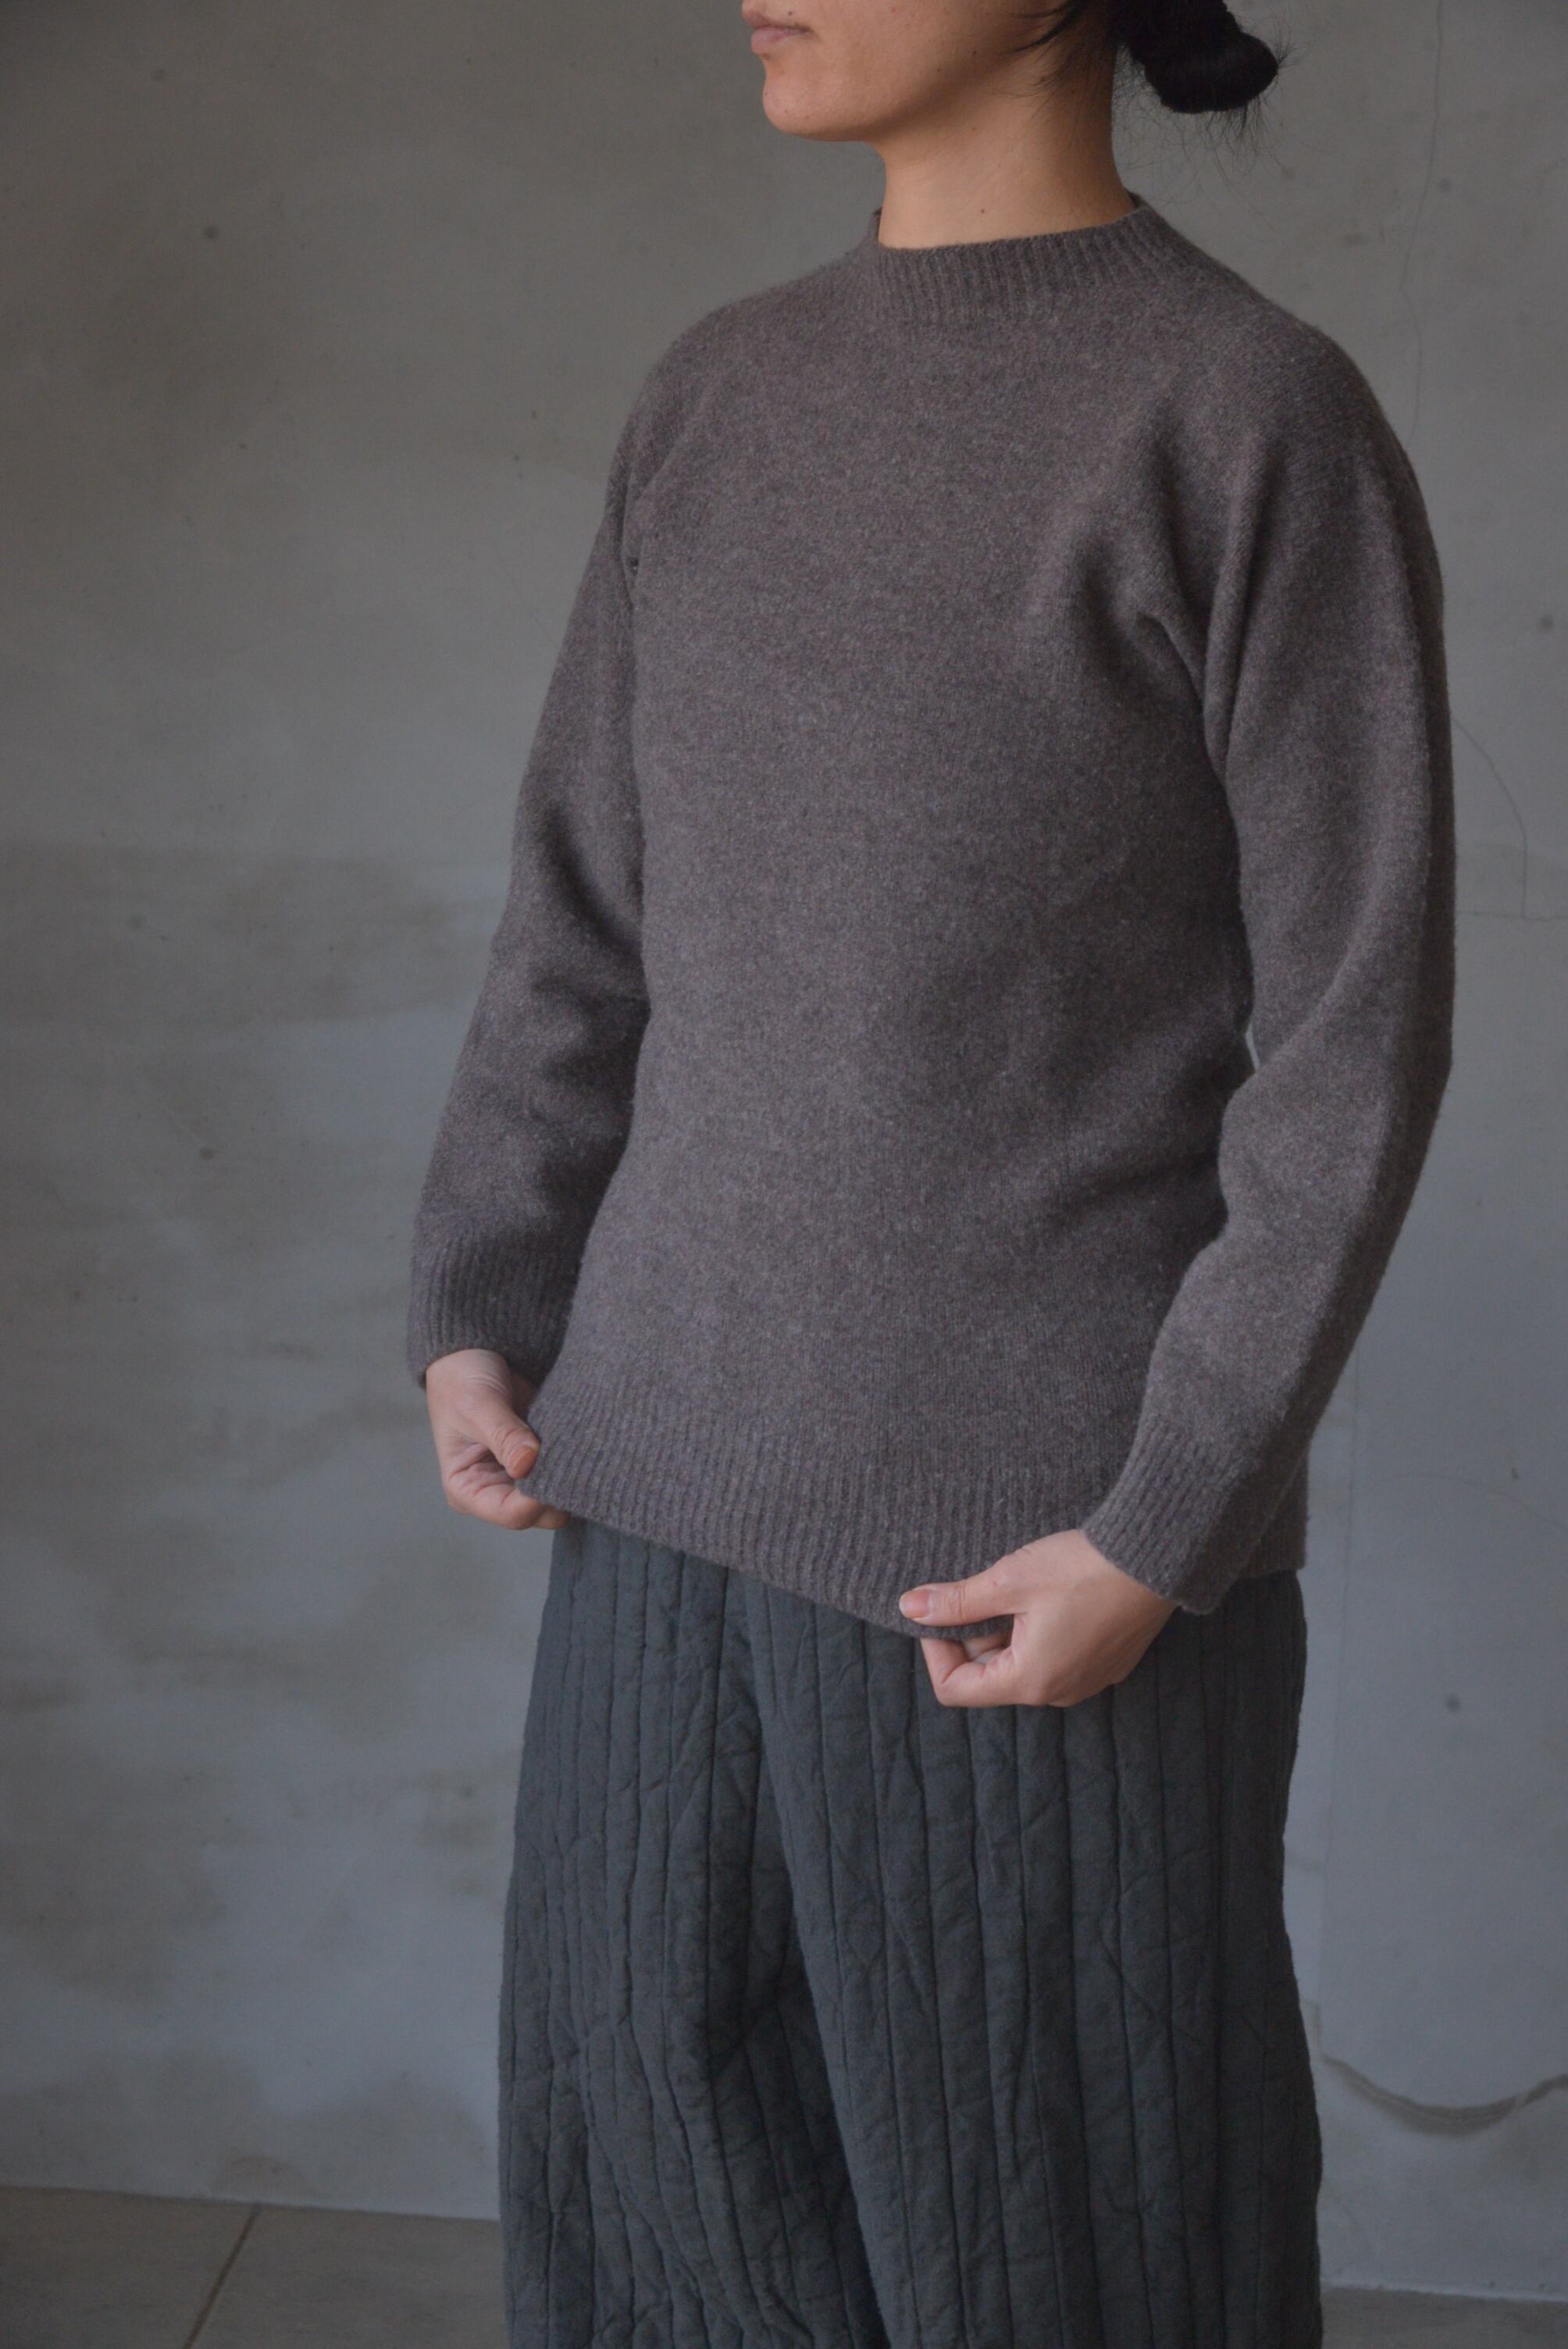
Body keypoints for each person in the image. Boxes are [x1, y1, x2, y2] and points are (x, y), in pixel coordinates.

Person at [406, 1, 1456, 2341]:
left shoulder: (1243, 412)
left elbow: (1356, 1034)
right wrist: (486, 1289)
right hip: (651, 1494)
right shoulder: (718, 391)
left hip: (1031, 1561)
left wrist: (1165, 1527)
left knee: (1070, 2258)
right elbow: (583, 910)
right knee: (654, 2250)